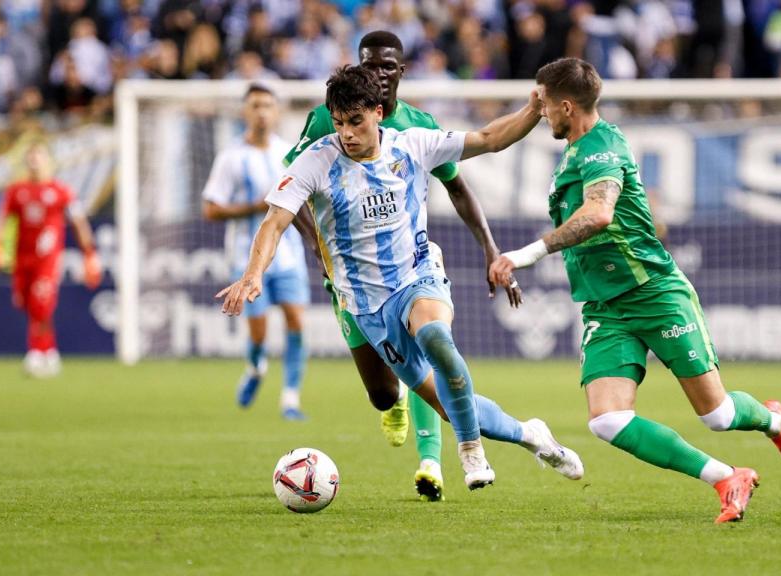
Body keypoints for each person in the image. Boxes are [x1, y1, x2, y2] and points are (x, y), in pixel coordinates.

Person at [219, 65, 583, 491]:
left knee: (434, 335)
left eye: (356, 122)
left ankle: (470, 453)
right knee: (433, 402)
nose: (347, 133)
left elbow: (488, 139)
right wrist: (252, 273)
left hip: (418, 274)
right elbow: (275, 221)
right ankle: (531, 434)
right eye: (339, 123)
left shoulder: (413, 144)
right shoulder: (316, 160)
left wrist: (531, 110)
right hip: (366, 304)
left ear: (377, 112)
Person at [489, 58, 781, 524]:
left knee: (717, 415)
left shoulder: (601, 148)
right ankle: (727, 477)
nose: (540, 114)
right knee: (607, 420)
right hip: (605, 305)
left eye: (543, 105)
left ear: (565, 105)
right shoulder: (575, 150)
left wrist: (526, 254)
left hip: (654, 293)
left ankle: (775, 421)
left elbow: (599, 213)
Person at [282, 31, 521, 502]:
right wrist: (317, 248)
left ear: (400, 71)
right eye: (369, 64)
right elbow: (292, 191)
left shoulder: (418, 126)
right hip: (351, 279)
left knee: (430, 339)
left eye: (387, 66)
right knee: (382, 394)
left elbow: (458, 188)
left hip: (408, 270)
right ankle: (395, 407)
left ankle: (436, 458)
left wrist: (491, 250)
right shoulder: (324, 120)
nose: (378, 73)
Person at [202, 84, 309, 420]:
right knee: (259, 330)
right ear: (245, 112)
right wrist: (255, 207)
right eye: (255, 105)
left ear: (276, 112)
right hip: (247, 258)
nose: (262, 111)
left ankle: (290, 399)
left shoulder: (289, 153)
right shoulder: (231, 157)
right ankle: (255, 367)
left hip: (289, 255)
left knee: (297, 322)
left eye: (267, 105)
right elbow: (211, 209)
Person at [0, 141, 101, 378]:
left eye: (39, 155)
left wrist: (89, 254)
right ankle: (50, 352)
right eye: (31, 155)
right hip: (21, 258)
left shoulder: (61, 191)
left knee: (41, 304)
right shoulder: (16, 191)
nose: (35, 160)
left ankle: (37, 353)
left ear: (48, 160)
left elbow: (78, 222)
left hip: (46, 259)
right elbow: (2, 219)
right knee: (27, 305)